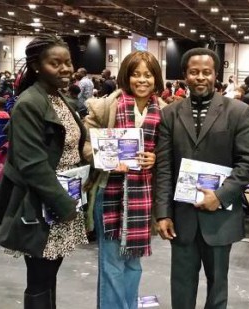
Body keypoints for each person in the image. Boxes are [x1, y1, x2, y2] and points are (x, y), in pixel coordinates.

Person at [0, 34, 87, 309]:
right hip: (42, 204)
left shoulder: (57, 97)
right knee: (40, 279)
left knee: (49, 274)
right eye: (56, 63)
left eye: (67, 62)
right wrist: (65, 205)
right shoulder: (30, 102)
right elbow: (32, 164)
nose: (65, 68)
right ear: (37, 66)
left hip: (62, 198)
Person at [154, 48, 249, 309]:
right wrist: (163, 213)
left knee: (217, 288)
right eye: (194, 72)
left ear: (216, 75)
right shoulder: (170, 114)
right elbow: (165, 168)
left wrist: (220, 197)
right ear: (185, 76)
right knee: (181, 286)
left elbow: (246, 163)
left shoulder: (238, 112)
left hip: (220, 217)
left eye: (206, 72)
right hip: (182, 217)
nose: (200, 77)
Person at [82, 50, 166, 309]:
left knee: (133, 263)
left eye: (148, 75)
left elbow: (169, 153)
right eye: (136, 74)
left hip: (144, 196)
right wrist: (104, 158)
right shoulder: (106, 106)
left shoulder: (166, 111)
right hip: (109, 193)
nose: (142, 80)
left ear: (156, 79)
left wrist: (155, 159)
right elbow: (85, 146)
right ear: (126, 77)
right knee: (112, 265)